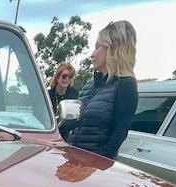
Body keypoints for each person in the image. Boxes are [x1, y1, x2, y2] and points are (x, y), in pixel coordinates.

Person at [66, 20, 138, 159]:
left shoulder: (126, 84)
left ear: (114, 48)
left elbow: (119, 133)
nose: (92, 54)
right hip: (73, 161)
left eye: (98, 47)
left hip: (94, 167)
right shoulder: (90, 84)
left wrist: (99, 165)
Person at [48, 63, 80, 138]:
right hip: (50, 132)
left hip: (66, 134)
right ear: (57, 77)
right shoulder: (49, 94)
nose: (67, 79)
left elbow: (75, 118)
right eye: (64, 76)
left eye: (70, 77)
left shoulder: (73, 93)